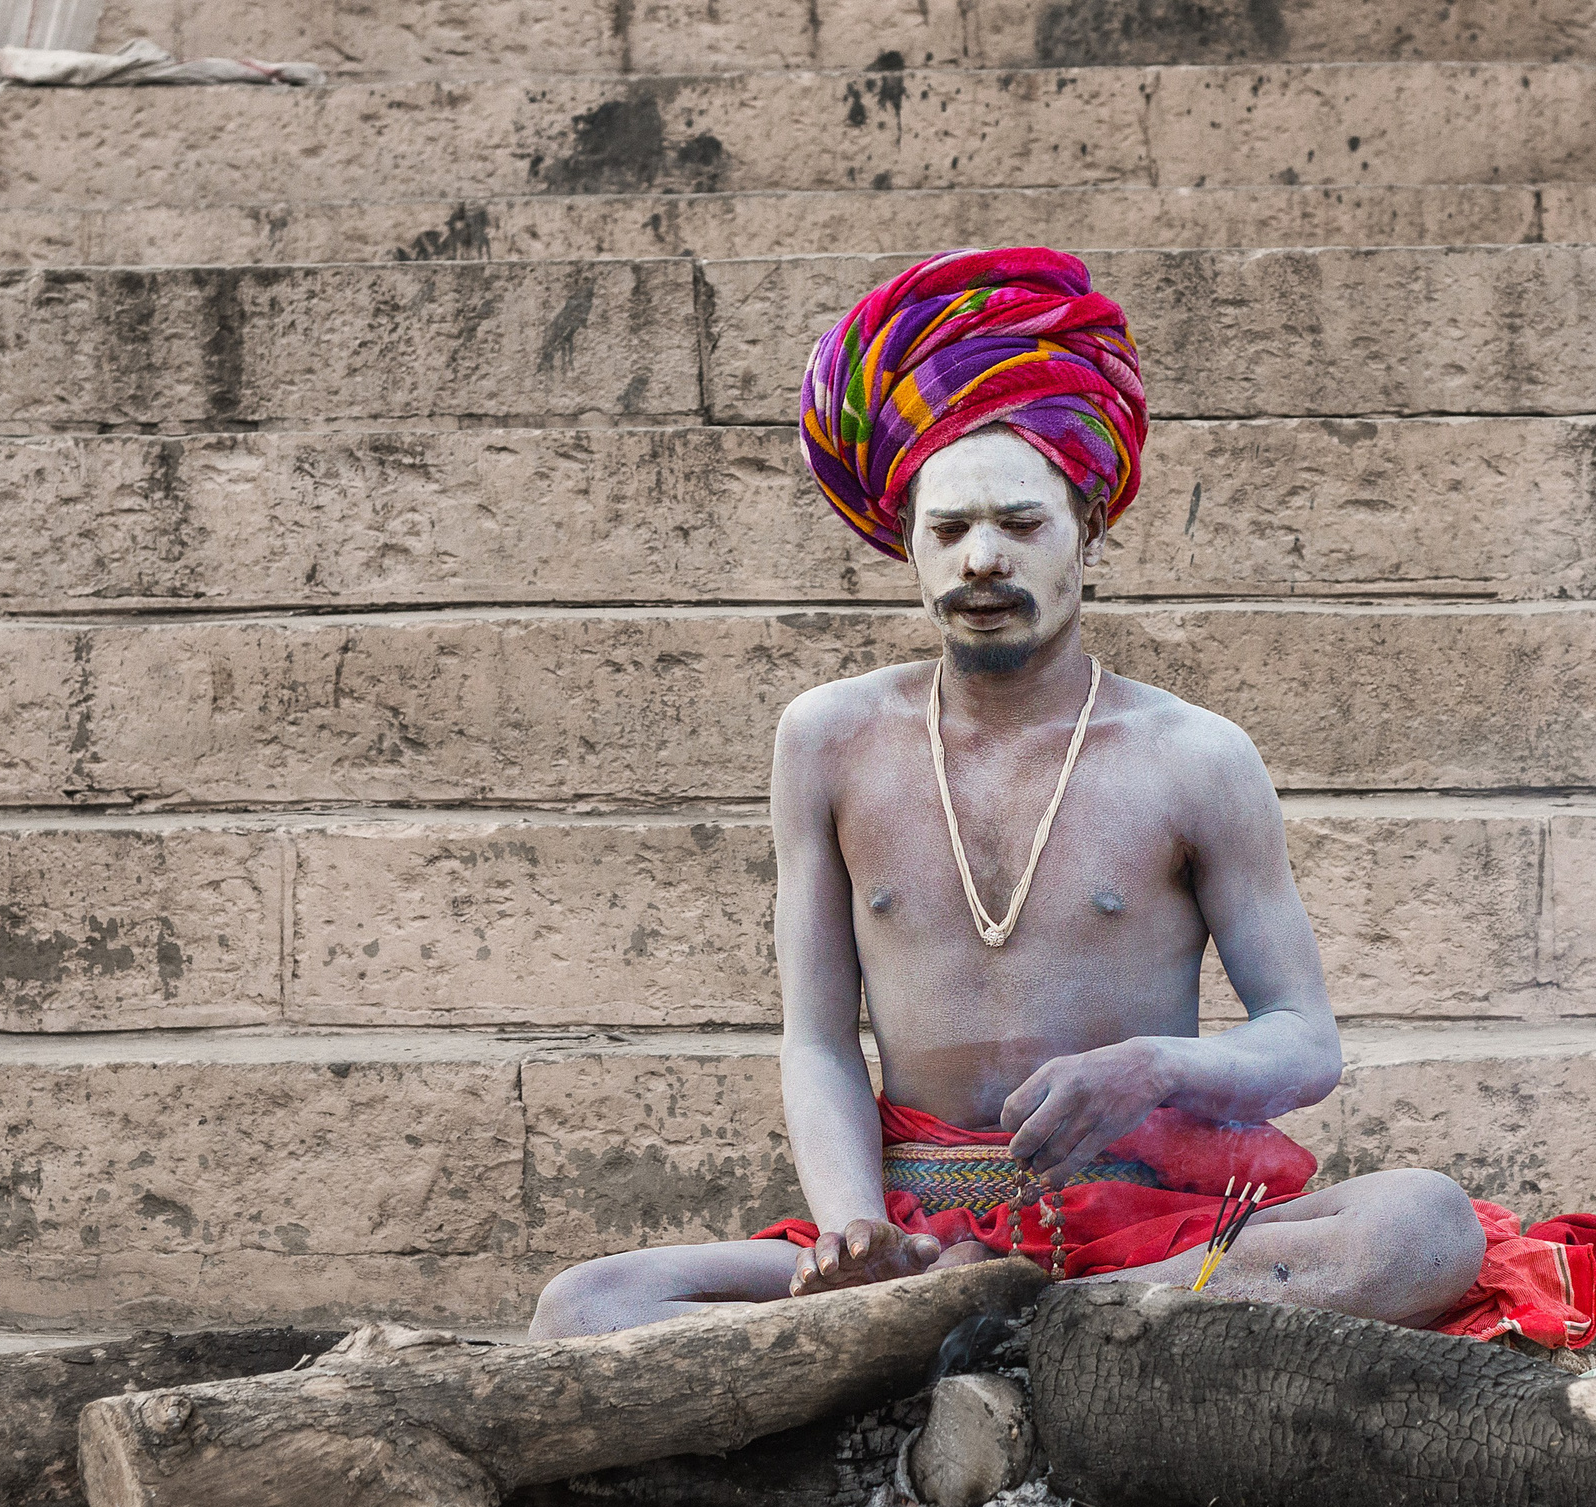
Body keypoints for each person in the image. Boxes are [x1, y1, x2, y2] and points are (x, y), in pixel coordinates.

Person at [529, 248, 1492, 1339]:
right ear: (906, 543)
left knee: (1422, 1225)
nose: (981, 559)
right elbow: (817, 1041)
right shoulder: (827, 739)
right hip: (915, 1237)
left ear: (1090, 530)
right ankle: (1017, 1351)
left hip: (1152, 1237)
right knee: (585, 1306)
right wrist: (853, 1238)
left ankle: (1014, 1343)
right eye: (947, 531)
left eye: (1021, 525)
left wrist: (1150, 1069)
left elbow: (1303, 1043)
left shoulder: (1196, 755)